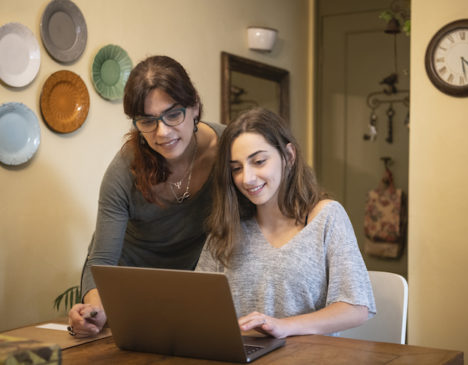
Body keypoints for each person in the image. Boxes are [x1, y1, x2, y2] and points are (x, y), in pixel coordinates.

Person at [67, 56, 224, 337]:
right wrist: (93, 309)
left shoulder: (230, 151)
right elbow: (102, 259)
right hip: (130, 286)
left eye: (173, 114)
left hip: (192, 285)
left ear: (195, 106)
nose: (162, 133)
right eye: (147, 121)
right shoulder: (123, 171)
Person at [196, 107, 375, 338]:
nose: (247, 178)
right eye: (236, 169)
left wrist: (284, 327)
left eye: (259, 161)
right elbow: (199, 304)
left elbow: (356, 308)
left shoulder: (327, 217)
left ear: (289, 156)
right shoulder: (228, 226)